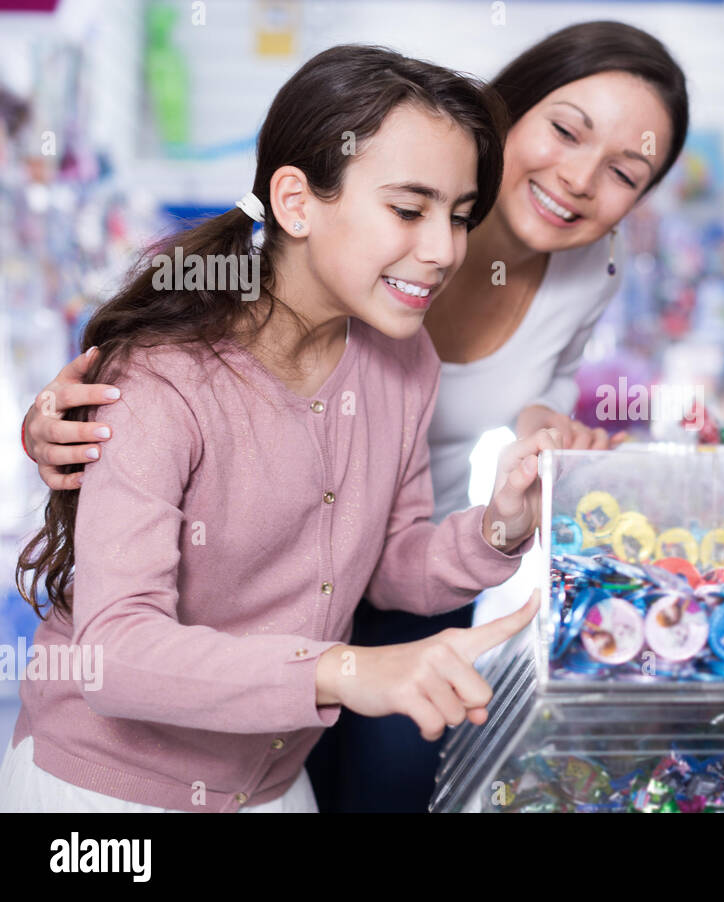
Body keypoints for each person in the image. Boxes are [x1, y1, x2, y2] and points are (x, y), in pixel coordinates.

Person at [18, 20, 690, 812]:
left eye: (458, 216)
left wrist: (502, 524)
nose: (442, 249)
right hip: (108, 786)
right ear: (296, 201)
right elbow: (118, 654)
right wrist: (346, 668)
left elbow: (388, 557)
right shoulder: (170, 375)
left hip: (272, 774)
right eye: (411, 210)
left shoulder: (406, 357)